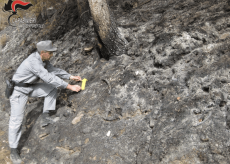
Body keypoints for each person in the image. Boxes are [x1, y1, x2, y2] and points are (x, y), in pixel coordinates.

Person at [9, 40, 82, 164]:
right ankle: (13, 150)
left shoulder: (43, 59)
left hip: (30, 87)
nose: (52, 55)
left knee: (51, 89)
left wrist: (70, 76)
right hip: (19, 91)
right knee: (17, 120)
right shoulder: (33, 62)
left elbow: (53, 70)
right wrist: (69, 86)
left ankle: (45, 117)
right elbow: (48, 77)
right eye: (50, 52)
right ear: (43, 52)